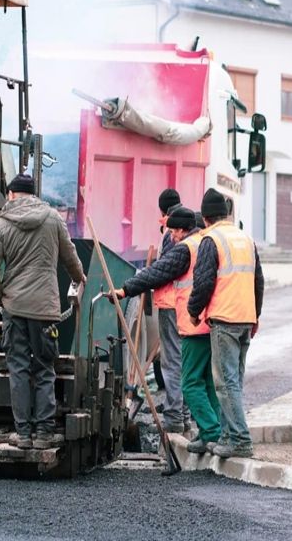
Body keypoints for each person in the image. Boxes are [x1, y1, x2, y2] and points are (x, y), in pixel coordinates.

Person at [0, 173, 86, 450]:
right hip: (46, 310)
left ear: (12, 194)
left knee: (18, 368)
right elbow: (71, 260)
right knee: (44, 369)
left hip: (15, 309)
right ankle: (45, 435)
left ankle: (23, 434)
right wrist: (79, 278)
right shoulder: (52, 218)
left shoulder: (3, 225)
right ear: (33, 194)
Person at [108, 207, 222, 446]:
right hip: (209, 319)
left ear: (182, 230)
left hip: (192, 321)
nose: (170, 236)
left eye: (173, 231)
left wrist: (125, 289)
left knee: (188, 378)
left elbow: (159, 272)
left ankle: (201, 428)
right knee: (206, 379)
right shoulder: (207, 240)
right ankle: (212, 428)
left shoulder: (186, 248)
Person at [188, 188, 264, 459]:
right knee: (235, 381)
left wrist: (194, 310)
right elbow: (258, 281)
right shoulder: (245, 238)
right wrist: (256, 316)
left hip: (225, 319)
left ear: (206, 218)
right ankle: (227, 436)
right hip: (245, 317)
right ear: (227, 213)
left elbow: (204, 281)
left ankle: (240, 441)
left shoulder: (211, 239)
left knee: (225, 383)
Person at [149, 188, 190, 432]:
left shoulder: (171, 232)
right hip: (185, 305)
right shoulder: (188, 224)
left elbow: (165, 269)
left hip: (170, 304)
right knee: (184, 360)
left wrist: (140, 281)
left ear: (162, 210)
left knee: (172, 361)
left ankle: (174, 418)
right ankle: (183, 415)